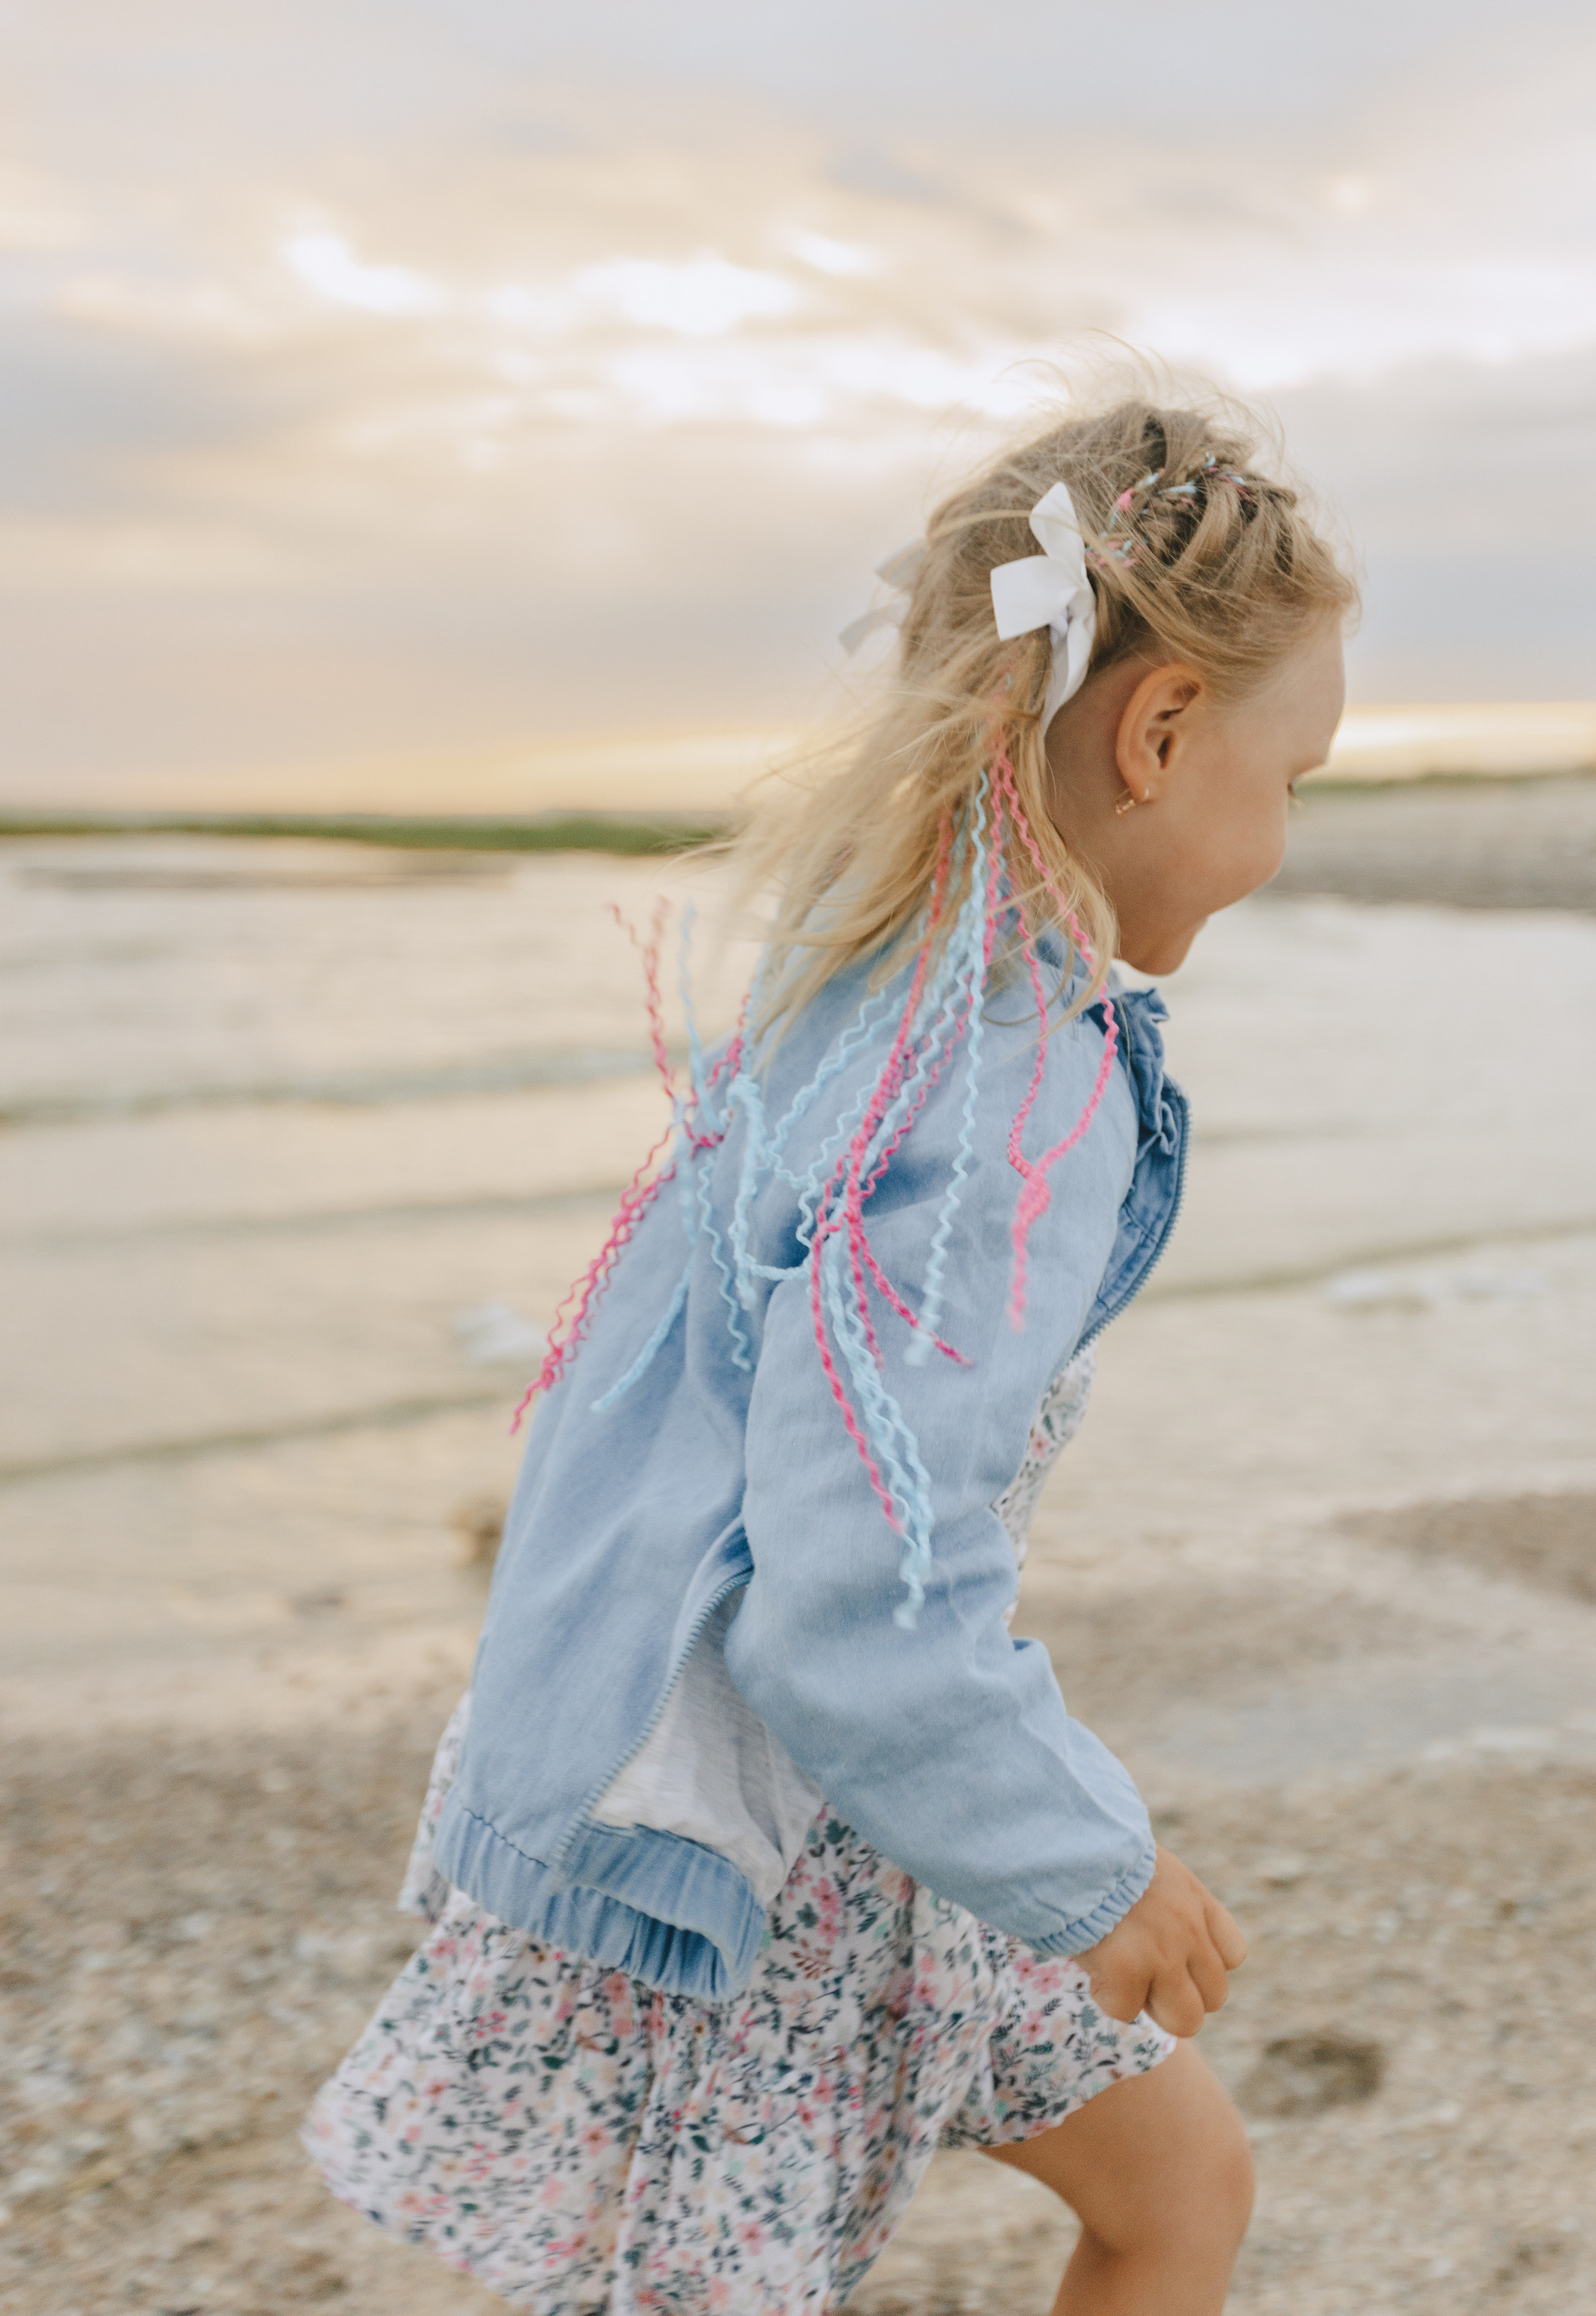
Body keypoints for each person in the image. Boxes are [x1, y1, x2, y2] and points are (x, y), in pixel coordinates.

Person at [305, 361, 1355, 2316]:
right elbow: (853, 1594)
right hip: (729, 1870)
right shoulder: (1000, 1095)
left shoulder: (868, 998)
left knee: (1178, 2182)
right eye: (1291, 779)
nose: (1283, 830)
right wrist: (1090, 1861)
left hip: (865, 1820)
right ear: (1163, 727)